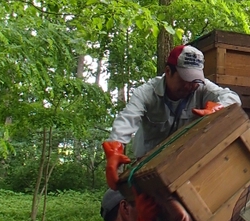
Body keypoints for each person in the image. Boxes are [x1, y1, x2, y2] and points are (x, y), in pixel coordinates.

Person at [102, 44, 242, 189]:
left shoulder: (201, 87)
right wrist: (114, 152)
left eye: (194, 80)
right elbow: (126, 120)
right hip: (147, 167)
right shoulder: (146, 93)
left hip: (184, 164)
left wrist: (216, 108)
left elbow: (232, 98)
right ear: (168, 71)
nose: (190, 86)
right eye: (184, 79)